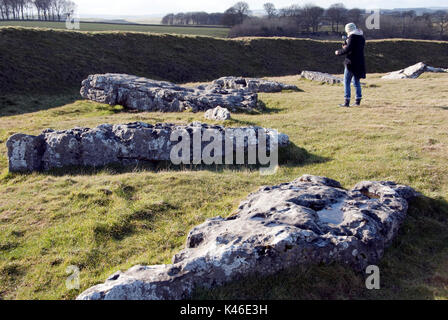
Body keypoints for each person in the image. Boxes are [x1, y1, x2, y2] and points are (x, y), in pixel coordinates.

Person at [335, 23, 366, 107]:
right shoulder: (361, 37)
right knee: (356, 82)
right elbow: (356, 48)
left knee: (346, 81)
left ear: (348, 30)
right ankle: (357, 101)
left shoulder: (352, 37)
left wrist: (339, 52)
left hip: (351, 62)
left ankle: (346, 101)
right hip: (360, 62)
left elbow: (348, 49)